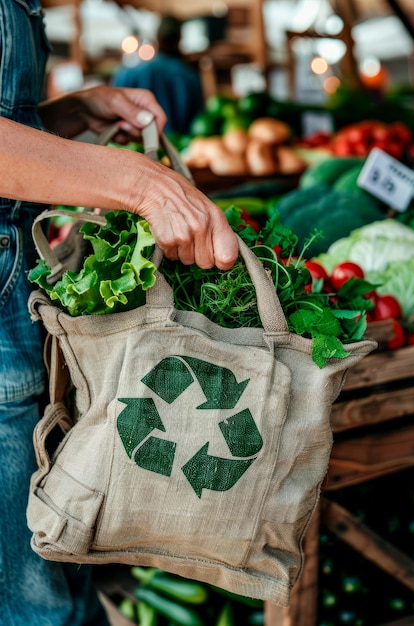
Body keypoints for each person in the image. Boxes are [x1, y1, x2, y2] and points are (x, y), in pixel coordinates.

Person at [0, 2, 237, 625]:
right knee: (31, 600)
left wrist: (70, 113)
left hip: (21, 302)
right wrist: (138, 184)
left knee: (58, 565)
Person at [111, 15, 205, 135]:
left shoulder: (130, 73)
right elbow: (198, 123)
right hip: (179, 149)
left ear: (157, 38)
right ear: (179, 39)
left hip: (134, 145)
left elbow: (113, 102)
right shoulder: (190, 77)